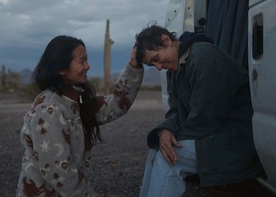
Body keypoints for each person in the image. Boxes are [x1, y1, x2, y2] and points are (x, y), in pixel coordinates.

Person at [134, 24, 263, 197]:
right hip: (211, 134)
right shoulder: (176, 67)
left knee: (167, 157)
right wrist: (165, 130)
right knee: (157, 148)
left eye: (156, 58)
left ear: (166, 40)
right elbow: (175, 111)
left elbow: (207, 116)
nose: (158, 67)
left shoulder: (204, 57)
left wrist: (171, 138)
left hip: (235, 139)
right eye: (153, 64)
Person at [16, 35, 143, 197]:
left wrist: (134, 66)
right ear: (61, 69)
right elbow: (61, 174)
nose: (87, 66)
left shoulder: (76, 101)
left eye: (86, 60)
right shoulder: (48, 110)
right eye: (81, 61)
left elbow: (115, 106)